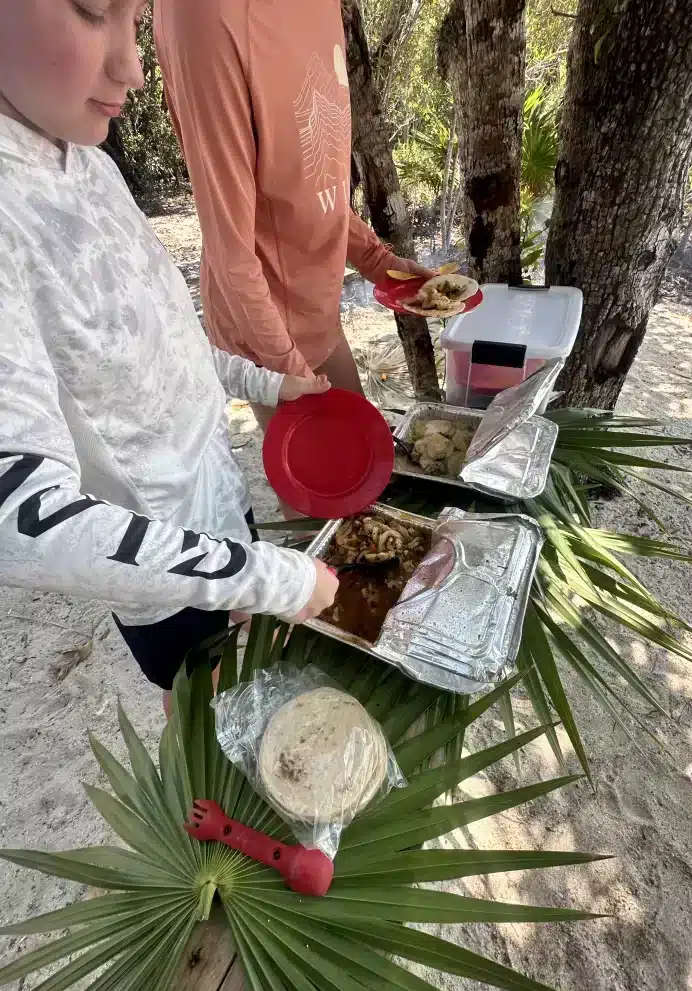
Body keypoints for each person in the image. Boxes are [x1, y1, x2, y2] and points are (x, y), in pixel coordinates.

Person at [0, 0, 339, 701]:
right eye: (95, 11)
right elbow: (21, 516)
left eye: (136, 17)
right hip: (157, 560)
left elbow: (158, 345)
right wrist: (269, 576)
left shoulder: (91, 161)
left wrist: (262, 381)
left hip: (218, 505)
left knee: (252, 695)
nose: (134, 68)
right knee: (204, 720)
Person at [153, 0, 435, 434]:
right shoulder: (203, 16)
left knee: (364, 479)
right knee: (326, 495)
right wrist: (288, 372)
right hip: (266, 320)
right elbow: (232, 248)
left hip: (318, 306)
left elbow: (311, 183)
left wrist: (381, 264)